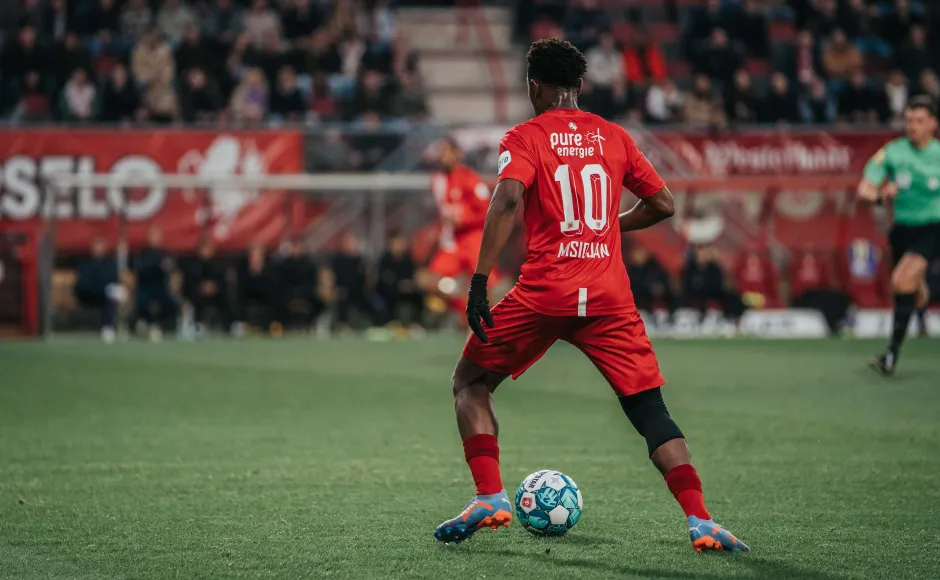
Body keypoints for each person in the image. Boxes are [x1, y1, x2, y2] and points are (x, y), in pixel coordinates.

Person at [433, 38, 748, 553]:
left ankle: (490, 495)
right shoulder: (615, 136)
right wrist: (604, 226)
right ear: (579, 86)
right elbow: (663, 204)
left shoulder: (525, 136)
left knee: (469, 381)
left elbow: (508, 199)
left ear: (534, 87)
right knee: (650, 409)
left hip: (544, 292)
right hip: (608, 298)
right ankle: (701, 521)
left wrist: (479, 281)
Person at [858, 96, 940, 375]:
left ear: (933, 124)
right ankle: (924, 292)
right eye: (908, 121)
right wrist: (881, 195)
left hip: (934, 227)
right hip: (902, 232)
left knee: (902, 281)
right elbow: (865, 190)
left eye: (919, 121)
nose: (912, 126)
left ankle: (891, 355)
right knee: (912, 293)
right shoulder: (892, 152)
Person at [419, 137, 495, 316]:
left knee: (487, 287)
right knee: (427, 280)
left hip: (473, 239)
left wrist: (464, 219)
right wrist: (436, 231)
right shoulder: (437, 181)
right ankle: (463, 303)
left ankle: (481, 318)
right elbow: (442, 212)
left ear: (456, 153)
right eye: (440, 152)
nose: (442, 156)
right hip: (451, 242)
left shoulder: (470, 179)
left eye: (445, 151)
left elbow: (487, 210)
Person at [133, 227, 177, 341]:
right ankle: (144, 322)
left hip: (161, 285)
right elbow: (140, 269)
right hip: (144, 285)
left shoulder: (165, 253)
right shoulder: (141, 253)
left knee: (170, 303)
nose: (154, 238)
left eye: (156, 236)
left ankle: (158, 325)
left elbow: (169, 268)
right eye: (152, 235)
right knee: (141, 301)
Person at [74, 236, 122, 343]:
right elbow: (83, 284)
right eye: (96, 245)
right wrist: (103, 287)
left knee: (110, 295)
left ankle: (108, 328)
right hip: (87, 295)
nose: (98, 248)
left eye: (100, 245)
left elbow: (113, 279)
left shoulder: (110, 263)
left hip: (103, 295)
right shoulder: (85, 263)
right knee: (109, 292)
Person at [182, 239, 229, 334]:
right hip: (198, 294)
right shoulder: (193, 265)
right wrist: (201, 288)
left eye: (207, 248)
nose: (205, 251)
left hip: (216, 295)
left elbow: (222, 282)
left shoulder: (218, 265)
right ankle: (198, 324)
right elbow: (189, 283)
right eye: (203, 249)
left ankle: (228, 325)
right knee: (194, 299)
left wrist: (214, 287)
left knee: (227, 300)